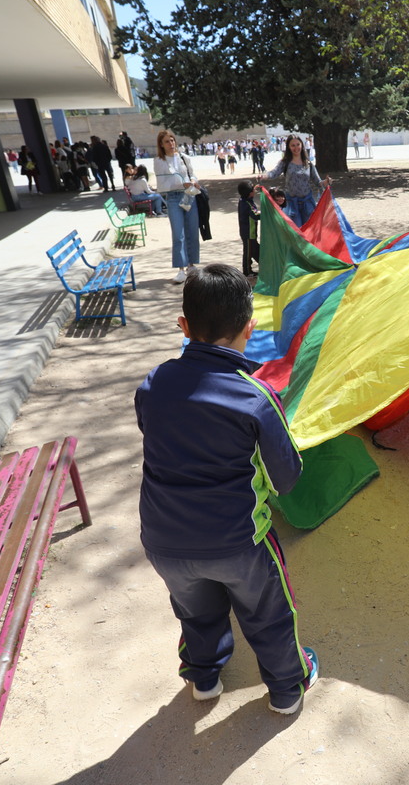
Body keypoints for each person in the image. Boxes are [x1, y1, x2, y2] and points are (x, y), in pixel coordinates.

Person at [135, 263, 318, 712]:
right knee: (270, 614)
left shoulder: (152, 384)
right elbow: (287, 477)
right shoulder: (254, 396)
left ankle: (204, 678)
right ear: (249, 328)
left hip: (164, 541)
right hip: (239, 542)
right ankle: (286, 690)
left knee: (195, 612)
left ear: (183, 326)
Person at [154, 130, 202, 284]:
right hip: (173, 198)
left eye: (172, 140)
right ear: (161, 144)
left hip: (189, 195)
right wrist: (181, 183)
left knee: (192, 231)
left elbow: (192, 174)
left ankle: (191, 264)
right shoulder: (159, 161)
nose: (171, 144)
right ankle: (181, 268)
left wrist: (193, 181)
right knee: (178, 233)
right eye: (167, 141)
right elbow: (162, 185)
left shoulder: (183, 157)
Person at [260, 135, 329, 226]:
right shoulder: (285, 162)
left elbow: (318, 182)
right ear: (288, 147)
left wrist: (326, 182)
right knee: (296, 232)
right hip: (291, 204)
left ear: (302, 145)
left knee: (309, 231)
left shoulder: (308, 163)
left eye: (298, 144)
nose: (296, 148)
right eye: (293, 145)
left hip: (307, 204)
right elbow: (274, 173)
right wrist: (265, 176)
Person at [237, 180, 261, 276]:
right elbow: (255, 215)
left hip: (251, 233)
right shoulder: (247, 204)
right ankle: (247, 271)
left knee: (255, 250)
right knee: (248, 252)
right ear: (250, 193)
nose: (255, 191)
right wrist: (266, 213)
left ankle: (264, 265)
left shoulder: (244, 200)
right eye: (253, 190)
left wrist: (253, 188)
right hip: (248, 233)